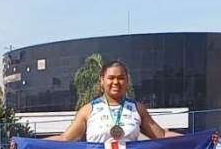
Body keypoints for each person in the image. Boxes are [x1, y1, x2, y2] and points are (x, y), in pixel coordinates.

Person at [47, 60, 182, 142]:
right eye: (111, 78)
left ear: (127, 81)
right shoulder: (88, 110)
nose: (116, 82)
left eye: (121, 78)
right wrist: (27, 145)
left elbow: (162, 135)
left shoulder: (137, 109)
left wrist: (199, 141)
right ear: (102, 80)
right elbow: (65, 139)